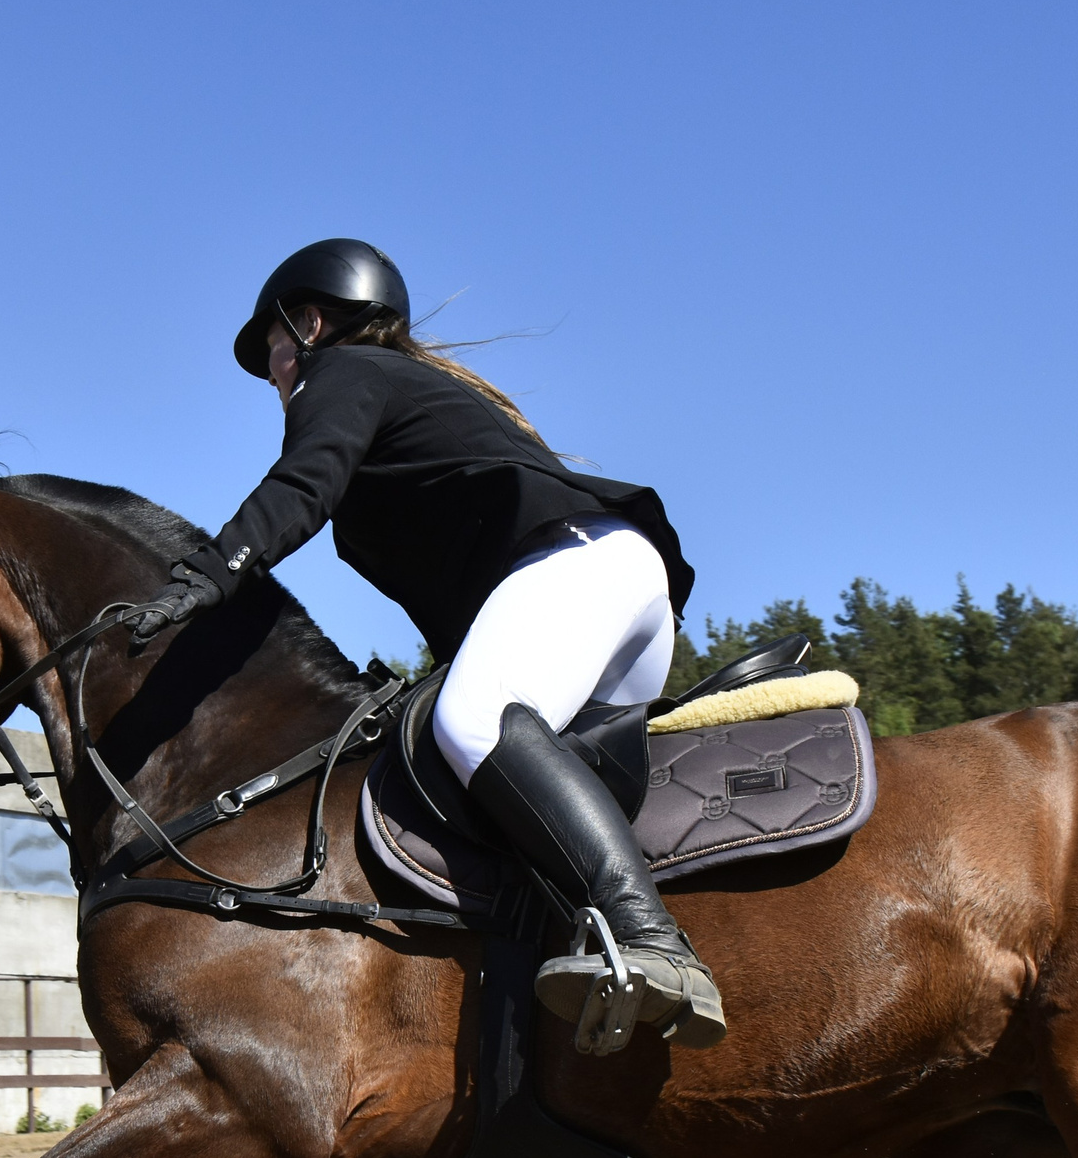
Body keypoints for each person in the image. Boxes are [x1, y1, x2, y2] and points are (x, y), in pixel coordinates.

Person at [125, 238, 724, 1054]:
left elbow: (300, 487)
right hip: (619, 589)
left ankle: (653, 941)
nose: (273, 375)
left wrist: (209, 573)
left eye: (271, 349)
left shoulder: (341, 373)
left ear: (310, 322)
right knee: (496, 789)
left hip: (579, 570)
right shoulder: (403, 390)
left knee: (475, 721)